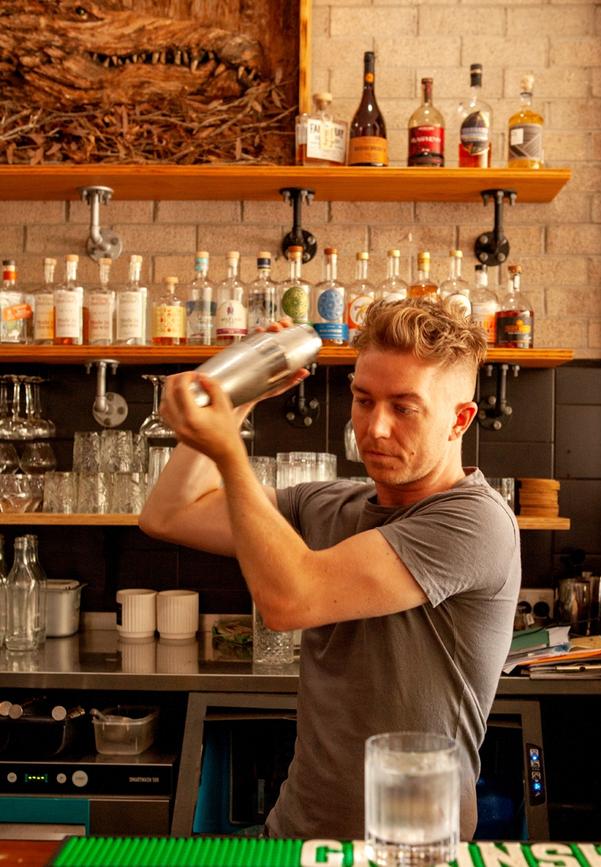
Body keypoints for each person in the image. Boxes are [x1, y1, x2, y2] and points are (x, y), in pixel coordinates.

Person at [139, 298, 521, 842]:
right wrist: (239, 396)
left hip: (411, 847)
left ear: (460, 419)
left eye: (404, 407)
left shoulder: (475, 522)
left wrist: (228, 451)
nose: (376, 428)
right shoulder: (329, 504)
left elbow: (292, 601)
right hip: (296, 831)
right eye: (364, 401)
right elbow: (168, 514)